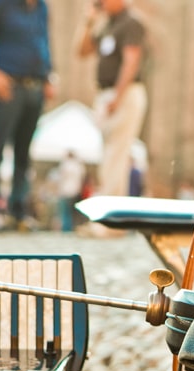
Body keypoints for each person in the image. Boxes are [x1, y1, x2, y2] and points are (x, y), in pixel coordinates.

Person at [0, 0, 55, 231]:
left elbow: (43, 41)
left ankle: (18, 210)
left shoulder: (41, 7)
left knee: (24, 154)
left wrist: (48, 76)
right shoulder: (1, 4)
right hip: (9, 89)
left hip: (35, 88)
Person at [77, 0, 148, 197]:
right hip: (109, 94)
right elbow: (82, 51)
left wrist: (117, 96)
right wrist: (88, 22)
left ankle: (111, 225)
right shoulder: (109, 25)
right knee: (109, 156)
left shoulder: (131, 23)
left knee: (116, 155)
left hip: (124, 94)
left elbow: (131, 62)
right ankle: (109, 218)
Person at [55, 150, 86, 233]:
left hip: (65, 191)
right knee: (72, 212)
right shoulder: (78, 166)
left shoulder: (65, 165)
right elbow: (81, 179)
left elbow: (61, 179)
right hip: (74, 191)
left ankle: (65, 228)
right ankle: (70, 228)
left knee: (65, 211)